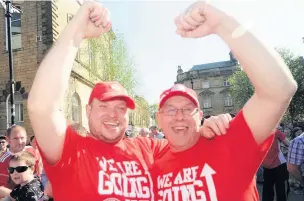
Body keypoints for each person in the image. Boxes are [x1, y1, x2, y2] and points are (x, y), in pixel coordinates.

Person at [27, 2, 230, 200]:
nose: (113, 114)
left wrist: (204, 130)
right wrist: (77, 32)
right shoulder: (71, 151)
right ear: (88, 110)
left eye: (120, 108)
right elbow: (41, 107)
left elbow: (186, 143)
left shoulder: (148, 149)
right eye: (104, 106)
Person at [151, 1, 297, 201]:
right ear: (158, 119)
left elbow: (279, 89)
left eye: (187, 109)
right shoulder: (149, 162)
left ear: (200, 116)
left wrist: (222, 23)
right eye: (170, 110)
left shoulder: (227, 142)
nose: (179, 116)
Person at [261, 128, 290, 201]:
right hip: (279, 164)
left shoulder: (256, 134)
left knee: (267, 189)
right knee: (281, 189)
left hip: (266, 165)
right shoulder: (275, 131)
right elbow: (288, 143)